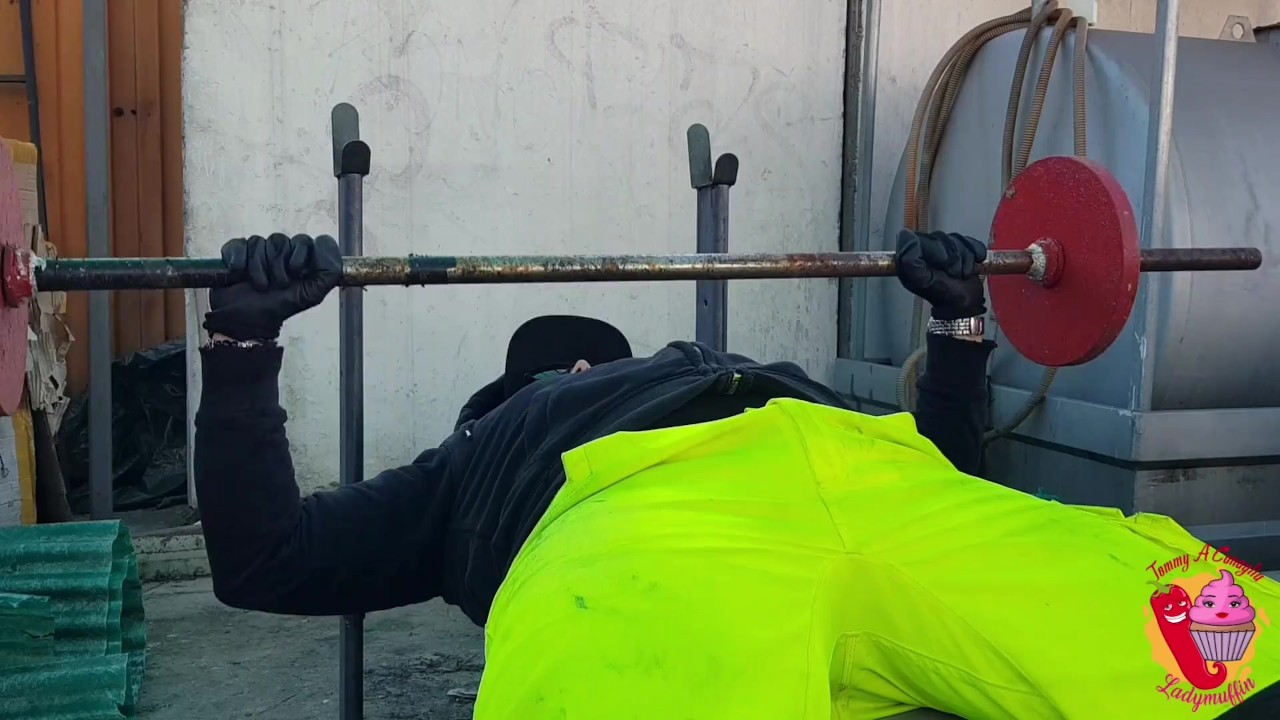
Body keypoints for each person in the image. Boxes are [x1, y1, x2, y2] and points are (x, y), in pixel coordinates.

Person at [195, 231, 1280, 719]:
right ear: (509, 398)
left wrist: (960, 321)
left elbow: (953, 474)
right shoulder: (471, 465)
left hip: (869, 474)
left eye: (589, 361)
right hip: (635, 529)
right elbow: (265, 560)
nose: (578, 370)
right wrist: (242, 348)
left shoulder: (747, 375)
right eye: (551, 372)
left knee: (1214, 636)